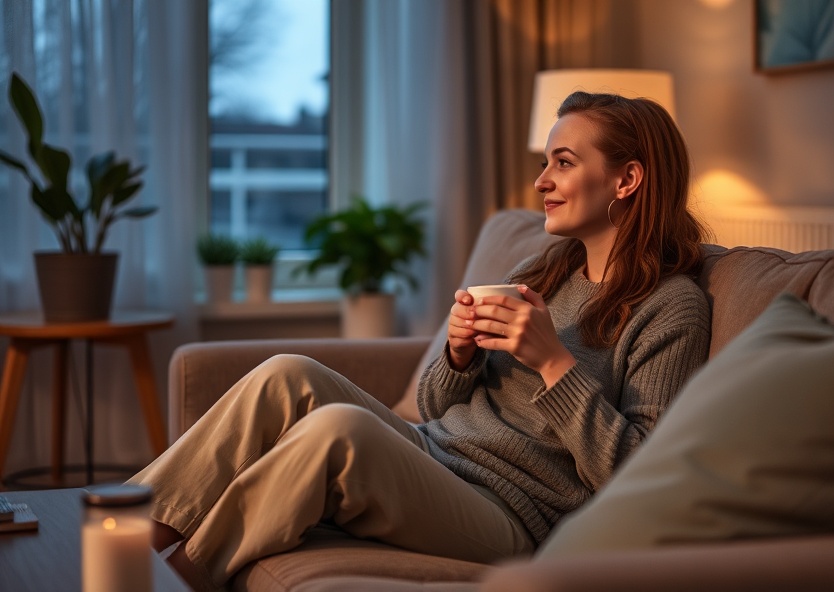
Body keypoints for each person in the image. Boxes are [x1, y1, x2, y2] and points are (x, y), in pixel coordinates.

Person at [128, 91, 711, 591]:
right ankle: (118, 534)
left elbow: (640, 475)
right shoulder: (545, 271)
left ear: (627, 178)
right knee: (286, 372)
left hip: (514, 514)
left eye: (562, 162)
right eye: (545, 162)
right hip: (434, 454)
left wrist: (554, 364)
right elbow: (433, 406)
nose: (541, 181)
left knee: (341, 431)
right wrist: (458, 356)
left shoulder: (672, 307)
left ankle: (179, 576)